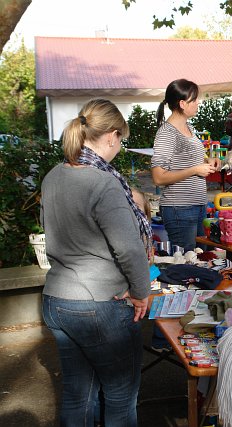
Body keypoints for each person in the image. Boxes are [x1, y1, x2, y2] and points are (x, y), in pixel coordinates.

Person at [40, 98, 151, 426]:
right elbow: (129, 249)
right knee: (120, 397)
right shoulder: (104, 182)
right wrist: (141, 292)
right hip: (99, 304)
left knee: (78, 395)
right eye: (122, 139)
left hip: (57, 299)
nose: (121, 145)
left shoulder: (53, 176)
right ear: (112, 135)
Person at [151, 79, 220, 252]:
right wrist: (195, 170)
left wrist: (208, 161)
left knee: (202, 257)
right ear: (182, 104)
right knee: (186, 261)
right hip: (179, 208)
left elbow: (186, 159)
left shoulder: (188, 127)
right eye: (194, 99)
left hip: (197, 205)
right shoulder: (167, 133)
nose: (198, 103)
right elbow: (158, 177)